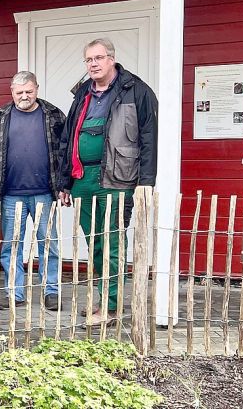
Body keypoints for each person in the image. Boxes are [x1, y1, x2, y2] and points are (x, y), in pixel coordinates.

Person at [58, 38, 158, 325]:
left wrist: (146, 181)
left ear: (111, 59)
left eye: (99, 58)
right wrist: (65, 182)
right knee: (94, 243)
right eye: (89, 60)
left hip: (118, 178)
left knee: (112, 241)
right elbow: (68, 139)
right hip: (83, 179)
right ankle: (100, 300)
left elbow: (149, 138)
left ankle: (111, 307)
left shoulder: (136, 91)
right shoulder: (82, 95)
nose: (93, 64)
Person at [0, 72, 66, 311]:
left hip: (44, 193)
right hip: (10, 195)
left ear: (37, 89)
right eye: (19, 93)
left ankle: (51, 291)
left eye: (29, 91)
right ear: (12, 92)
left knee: (48, 244)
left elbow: (66, 152)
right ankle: (13, 293)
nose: (24, 96)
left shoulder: (54, 116)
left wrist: (62, 184)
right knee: (11, 246)